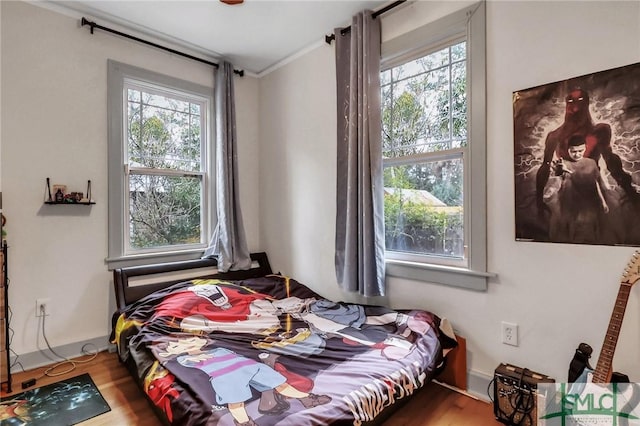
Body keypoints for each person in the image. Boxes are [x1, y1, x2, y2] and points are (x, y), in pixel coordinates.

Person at [536, 88, 637, 220]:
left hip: (594, 188)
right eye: (571, 102)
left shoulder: (600, 131)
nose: (575, 108)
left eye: (580, 101)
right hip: (569, 193)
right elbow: (545, 166)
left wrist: (630, 191)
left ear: (587, 104)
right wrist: (538, 200)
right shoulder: (554, 136)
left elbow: (611, 162)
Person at [546, 134, 610, 243]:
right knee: (571, 236)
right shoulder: (562, 164)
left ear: (585, 148)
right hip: (570, 206)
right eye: (573, 151)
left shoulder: (591, 163)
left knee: (590, 234)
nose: (577, 154)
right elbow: (554, 186)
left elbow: (596, 183)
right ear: (568, 150)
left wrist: (603, 202)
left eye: (580, 151)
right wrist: (559, 172)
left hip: (589, 204)